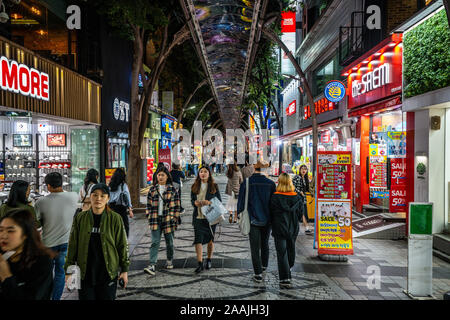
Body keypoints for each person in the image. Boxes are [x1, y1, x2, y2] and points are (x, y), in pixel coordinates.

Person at [65, 183, 130, 300]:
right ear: (90, 197)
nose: (98, 199)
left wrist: (124, 270)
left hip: (108, 274)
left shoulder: (115, 218)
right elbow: (73, 245)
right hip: (85, 274)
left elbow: (122, 244)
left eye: (102, 196)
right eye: (95, 195)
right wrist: (69, 271)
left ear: (108, 198)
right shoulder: (80, 218)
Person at [34, 172, 79, 300]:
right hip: (66, 243)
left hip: (47, 244)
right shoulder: (73, 196)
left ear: (48, 186)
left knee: (46, 275)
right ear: (61, 182)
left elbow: (36, 222)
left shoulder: (40, 201)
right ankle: (55, 298)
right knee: (60, 274)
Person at [0, 208, 55, 300]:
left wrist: (6, 276)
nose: (3, 236)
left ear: (25, 234)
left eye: (10, 231)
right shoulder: (3, 255)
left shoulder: (42, 262)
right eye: (1, 230)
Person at [237, 159, 276, 283]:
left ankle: (257, 273)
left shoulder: (247, 182)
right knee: (265, 244)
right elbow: (273, 204)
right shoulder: (271, 184)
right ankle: (264, 266)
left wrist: (239, 215)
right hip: (268, 219)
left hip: (252, 218)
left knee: (255, 247)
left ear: (254, 168)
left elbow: (241, 203)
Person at [144, 166, 181, 276]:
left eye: (162, 175)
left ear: (167, 177)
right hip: (155, 218)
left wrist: (174, 217)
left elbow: (177, 206)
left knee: (169, 242)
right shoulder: (152, 189)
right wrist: (149, 216)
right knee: (155, 242)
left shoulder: (172, 189)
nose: (160, 177)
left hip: (168, 219)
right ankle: (152, 264)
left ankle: (169, 260)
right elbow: (148, 205)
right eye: (159, 175)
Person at [270, 173, 303, 289]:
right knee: (291, 248)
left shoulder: (275, 197)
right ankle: (289, 267)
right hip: (293, 228)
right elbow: (300, 215)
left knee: (281, 252)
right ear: (290, 182)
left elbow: (271, 214)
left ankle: (284, 278)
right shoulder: (298, 197)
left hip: (279, 228)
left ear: (279, 182)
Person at [191, 166, 222, 274]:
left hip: (210, 217)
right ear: (198, 174)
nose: (203, 173)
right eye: (201, 172)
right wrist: (195, 203)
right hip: (198, 217)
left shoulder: (214, 186)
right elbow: (192, 200)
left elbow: (219, 201)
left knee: (210, 239)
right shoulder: (194, 186)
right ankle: (199, 263)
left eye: (205, 171)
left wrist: (209, 203)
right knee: (198, 239)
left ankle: (209, 259)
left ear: (209, 173)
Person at [108, 168, 133, 237]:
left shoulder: (110, 185)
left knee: (113, 225)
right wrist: (130, 210)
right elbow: (127, 197)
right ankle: (124, 241)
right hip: (121, 208)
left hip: (111, 207)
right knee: (125, 226)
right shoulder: (123, 185)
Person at [292, 165, 313, 234]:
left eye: (305, 169)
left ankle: (298, 227)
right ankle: (306, 227)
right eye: (302, 169)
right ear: (300, 170)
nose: (304, 170)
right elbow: (292, 186)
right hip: (297, 197)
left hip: (302, 198)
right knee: (302, 212)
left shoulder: (305, 178)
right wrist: (300, 192)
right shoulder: (297, 177)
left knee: (302, 212)